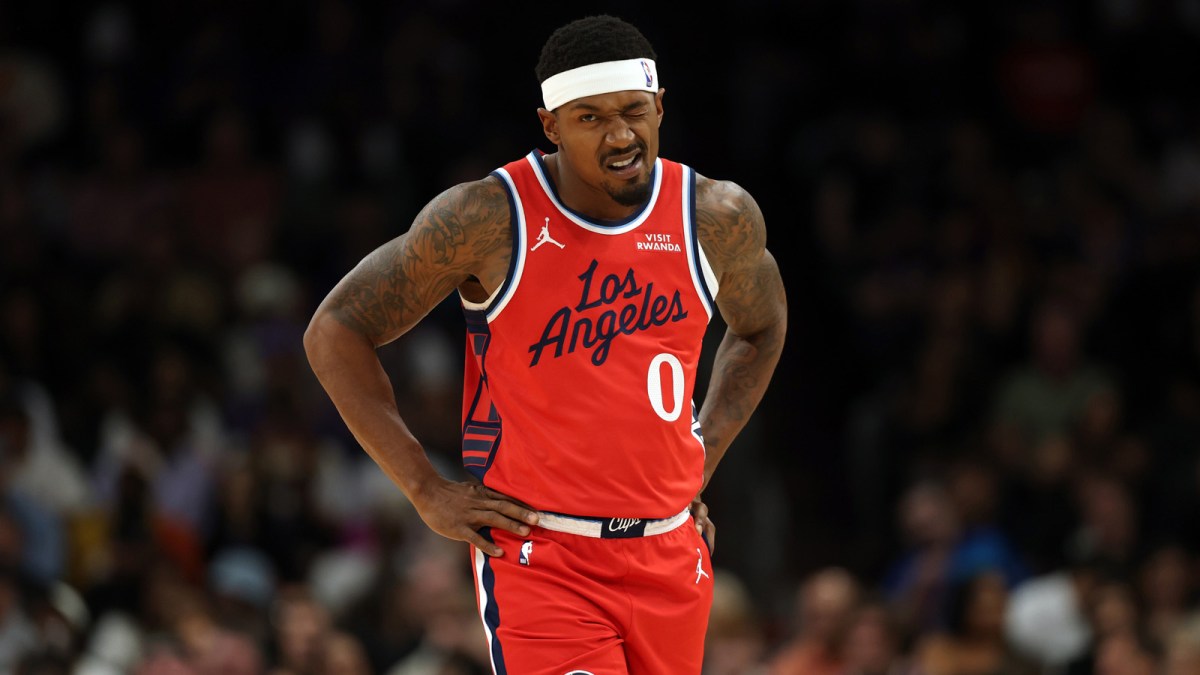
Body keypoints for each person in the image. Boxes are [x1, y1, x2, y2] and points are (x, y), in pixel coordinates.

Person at [304, 14, 786, 675]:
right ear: (550, 123)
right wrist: (423, 485)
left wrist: (703, 449)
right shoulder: (486, 218)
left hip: (670, 555)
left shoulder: (716, 216)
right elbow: (335, 328)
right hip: (543, 560)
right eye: (590, 118)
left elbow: (762, 325)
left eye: (633, 112)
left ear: (660, 108)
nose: (620, 135)